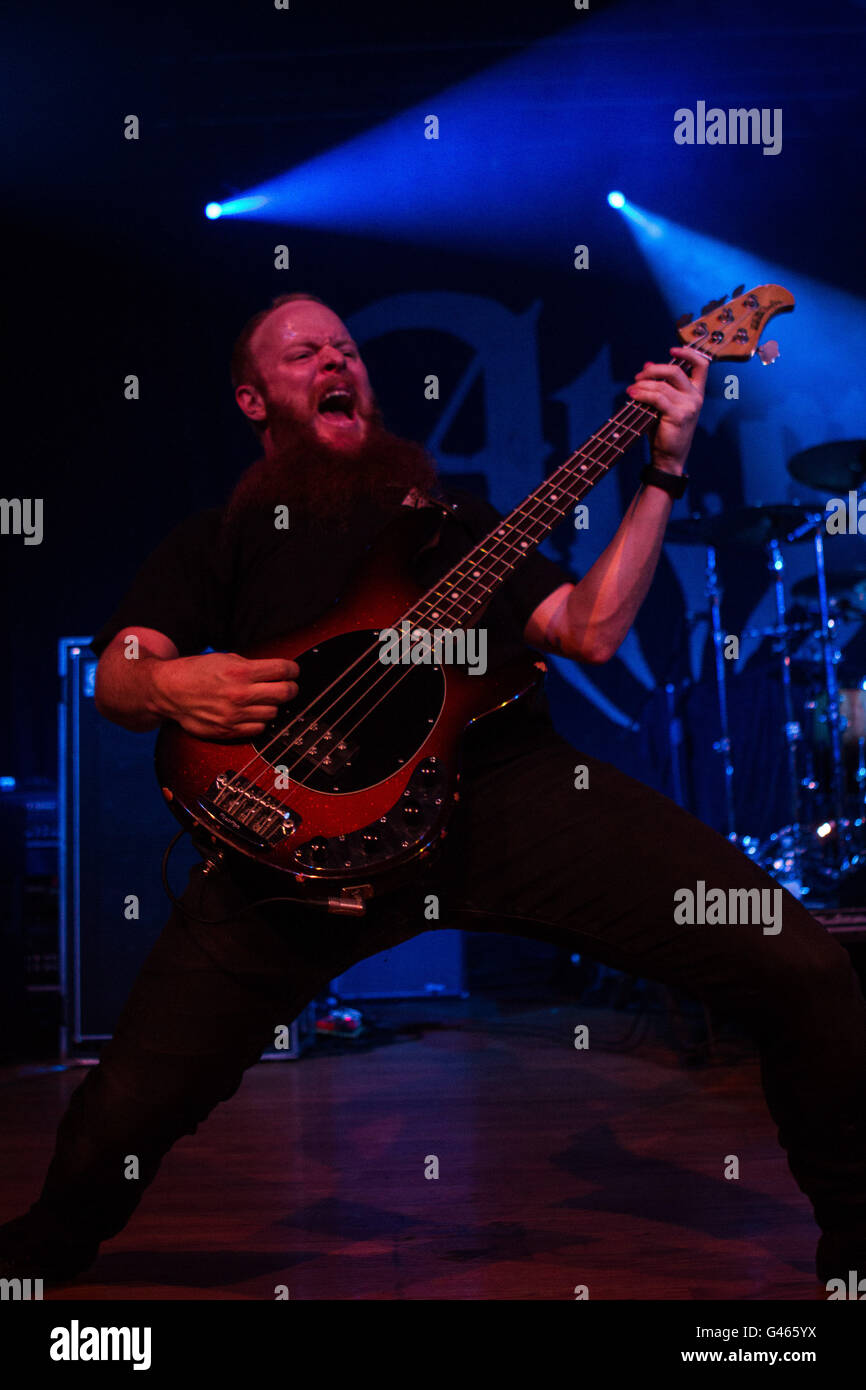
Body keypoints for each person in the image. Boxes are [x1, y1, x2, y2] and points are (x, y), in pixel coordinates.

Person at [2, 292, 864, 1289]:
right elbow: (117, 675)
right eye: (302, 351)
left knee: (796, 965)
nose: (336, 359)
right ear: (252, 399)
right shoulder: (219, 537)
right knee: (133, 1098)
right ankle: (41, 1251)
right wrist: (166, 682)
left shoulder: (456, 525)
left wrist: (663, 464)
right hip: (295, 833)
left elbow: (587, 630)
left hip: (506, 792)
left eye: (345, 346)